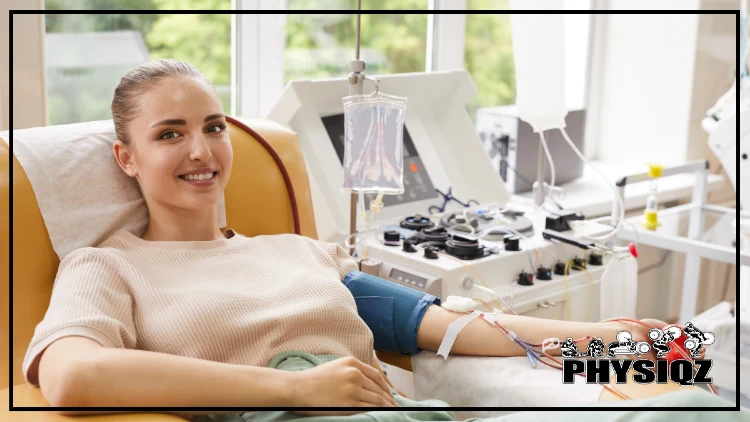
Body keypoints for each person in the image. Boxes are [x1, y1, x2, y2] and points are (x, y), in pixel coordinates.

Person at [22, 59, 726, 421]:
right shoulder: (107, 265)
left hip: (401, 413)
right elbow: (72, 377)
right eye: (169, 134)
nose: (201, 149)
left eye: (211, 125)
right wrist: (295, 391)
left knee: (695, 396)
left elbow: (448, 328)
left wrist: (622, 341)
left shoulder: (297, 252)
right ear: (126, 157)